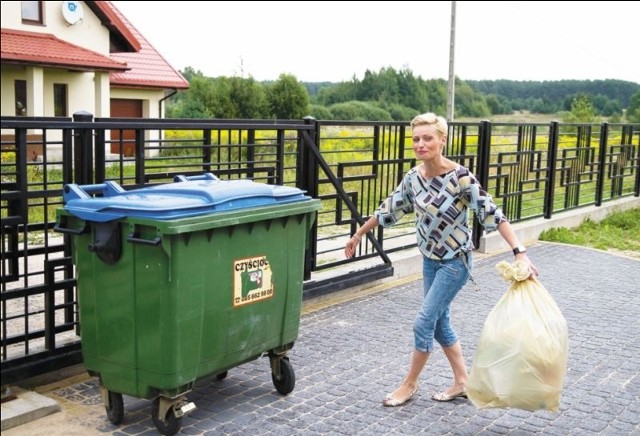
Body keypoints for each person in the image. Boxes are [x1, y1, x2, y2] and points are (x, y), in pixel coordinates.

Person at [344, 112, 538, 407]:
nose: (420, 144)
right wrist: (358, 235)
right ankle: (463, 381)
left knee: (423, 322)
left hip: (455, 262)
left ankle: (409, 384)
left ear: (442, 140)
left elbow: (493, 214)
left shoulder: (460, 177)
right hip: (429, 260)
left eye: (427, 138)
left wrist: (520, 252)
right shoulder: (413, 178)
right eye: (416, 139)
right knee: (438, 323)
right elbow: (387, 209)